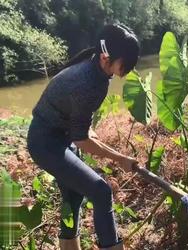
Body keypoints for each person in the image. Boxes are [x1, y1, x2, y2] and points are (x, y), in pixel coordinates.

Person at [27, 24, 140, 250]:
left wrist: (89, 134)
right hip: (46, 142)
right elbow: (82, 139)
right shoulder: (87, 82)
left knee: (73, 194)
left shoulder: (96, 68)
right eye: (124, 62)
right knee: (101, 191)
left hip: (61, 136)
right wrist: (120, 158)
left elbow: (80, 125)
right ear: (106, 57)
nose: (127, 68)